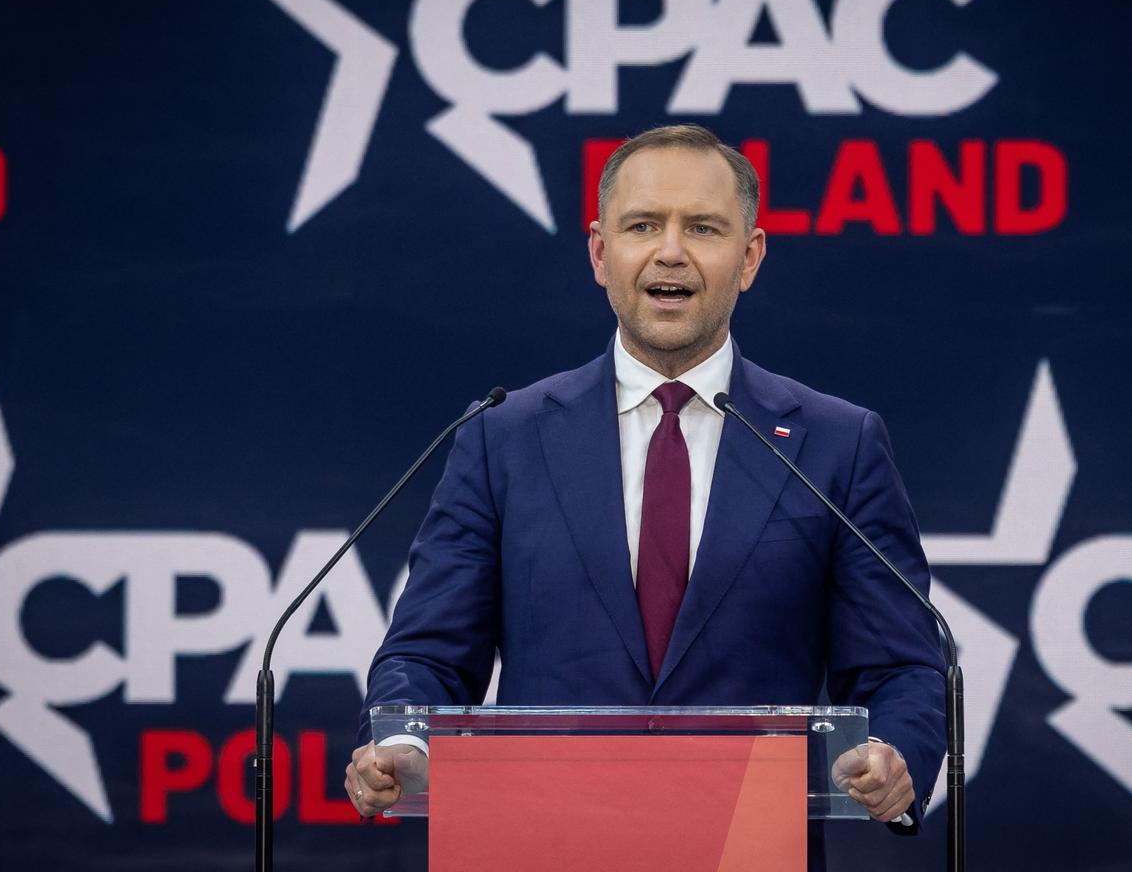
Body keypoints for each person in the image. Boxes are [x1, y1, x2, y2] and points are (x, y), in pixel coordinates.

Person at [345, 124, 945, 836]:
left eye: (703, 228)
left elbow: (900, 666)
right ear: (601, 254)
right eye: (643, 226)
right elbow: (428, 650)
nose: (670, 251)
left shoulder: (837, 444)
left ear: (750, 257)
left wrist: (893, 753)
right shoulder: (502, 436)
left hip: (749, 842)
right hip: (545, 837)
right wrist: (404, 741)